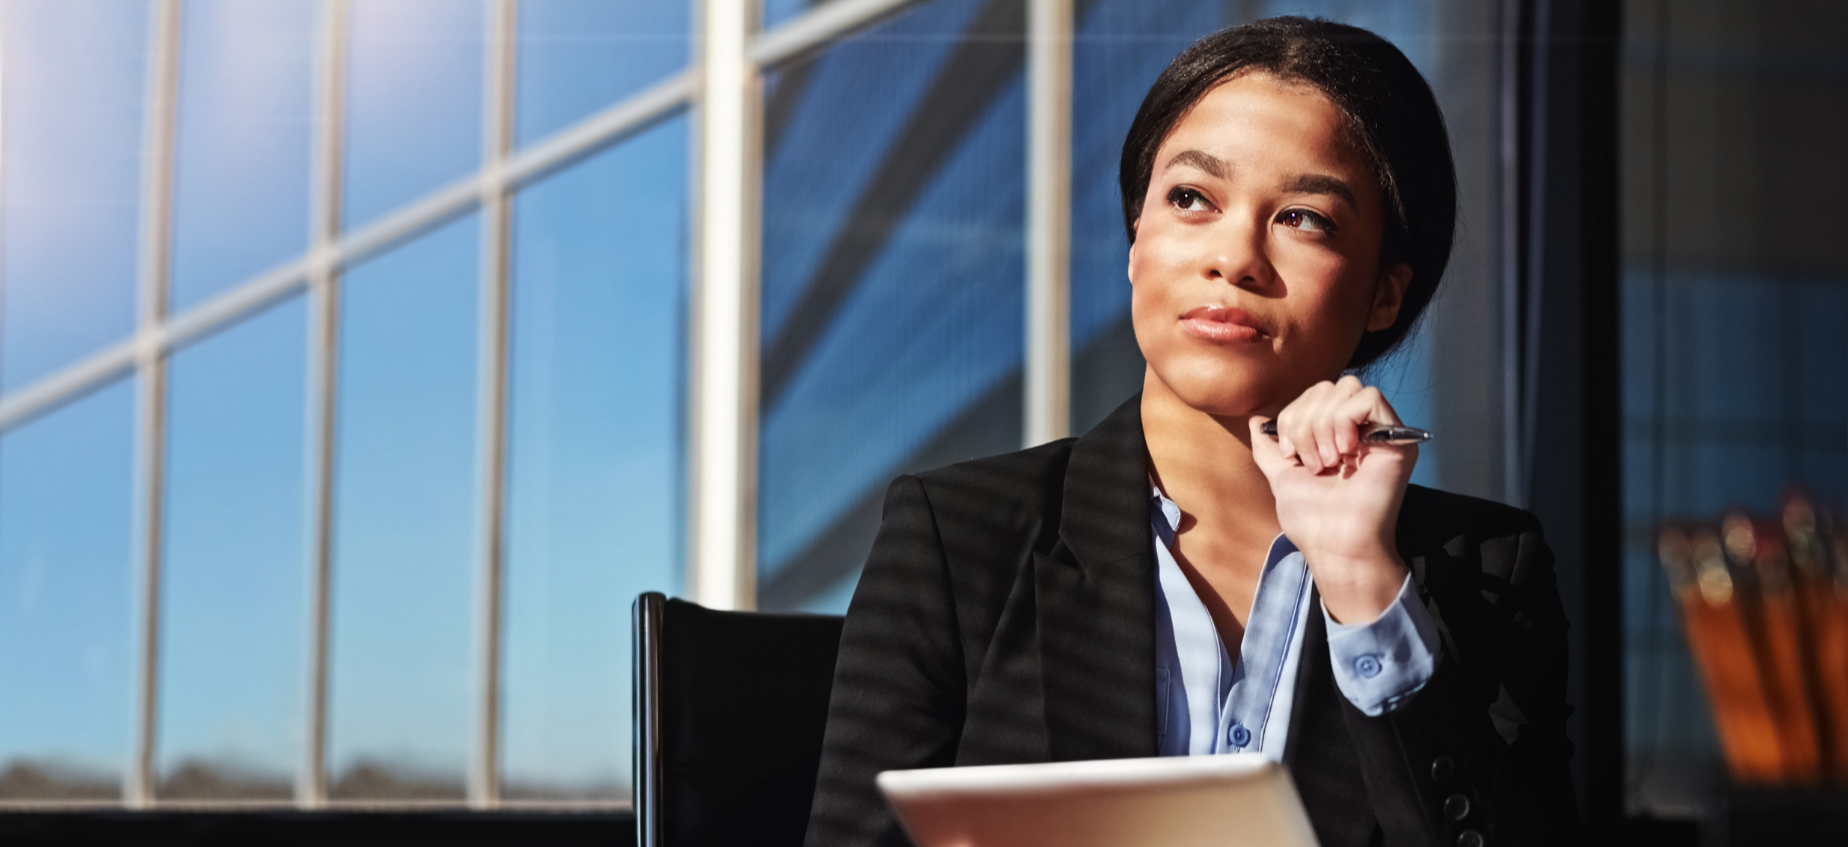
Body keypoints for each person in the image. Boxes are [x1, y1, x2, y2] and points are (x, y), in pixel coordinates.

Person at [803, 16, 1577, 847]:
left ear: (1384, 294)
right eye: (1191, 199)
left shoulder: (1483, 572)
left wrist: (1362, 585)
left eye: (1305, 218)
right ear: (1138, 241)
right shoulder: (957, 540)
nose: (1235, 256)